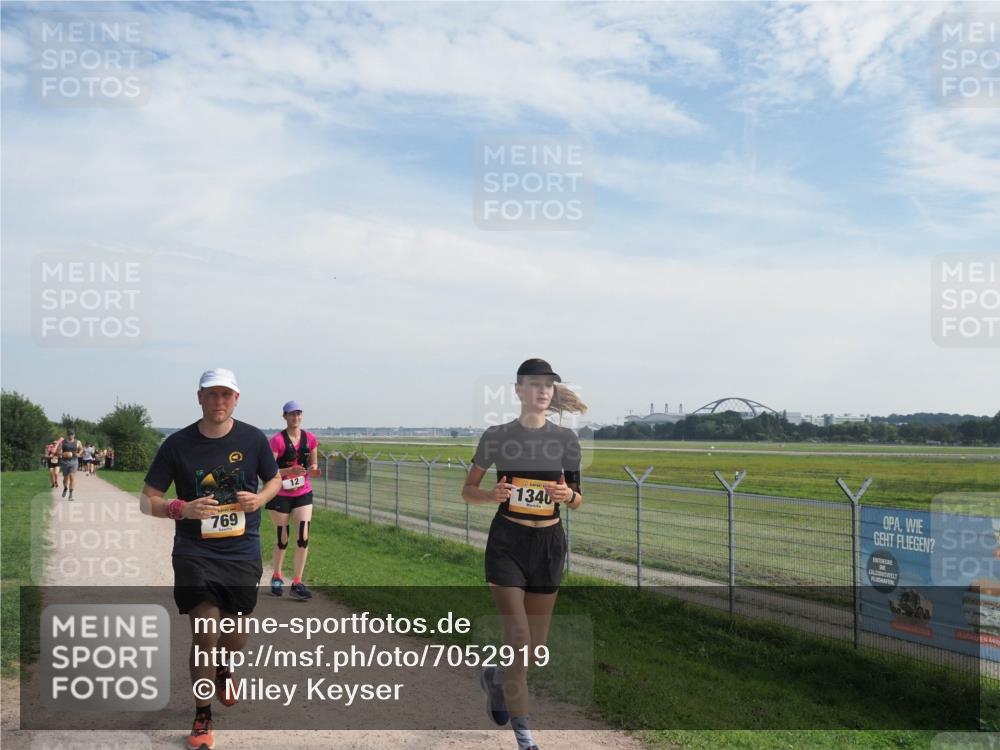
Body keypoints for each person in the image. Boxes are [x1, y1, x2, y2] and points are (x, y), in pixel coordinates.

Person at [139, 368, 281, 750]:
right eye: (211, 394)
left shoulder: (253, 439)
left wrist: (262, 499)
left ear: (236, 399)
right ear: (199, 397)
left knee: (233, 637)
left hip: (241, 552)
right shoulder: (177, 445)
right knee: (204, 632)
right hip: (194, 551)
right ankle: (202, 715)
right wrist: (179, 508)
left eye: (226, 395)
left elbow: (275, 480)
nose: (219, 401)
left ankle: (225, 667)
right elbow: (146, 498)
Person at [461, 358, 586, 750]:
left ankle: (497, 680)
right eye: (534, 384)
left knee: (535, 646)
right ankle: (525, 736)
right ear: (518, 390)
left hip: (548, 546)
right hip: (507, 544)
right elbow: (468, 490)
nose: (543, 390)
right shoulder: (497, 436)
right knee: (519, 639)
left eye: (548, 385)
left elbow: (578, 499)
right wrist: (488, 495)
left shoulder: (567, 441)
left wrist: (568, 496)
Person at [266, 400, 320, 600]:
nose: (295, 417)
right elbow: (269, 471)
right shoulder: (277, 441)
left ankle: (297, 581)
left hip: (303, 492)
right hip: (281, 494)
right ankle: (277, 576)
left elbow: (313, 463)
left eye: (298, 414)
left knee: (303, 536)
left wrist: (313, 470)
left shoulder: (310, 439)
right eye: (291, 414)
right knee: (283, 538)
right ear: (285, 417)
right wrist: (289, 471)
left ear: (302, 416)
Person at [58, 430, 83, 500]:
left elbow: (81, 449)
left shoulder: (78, 442)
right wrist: (62, 454)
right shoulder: (63, 442)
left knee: (72, 477)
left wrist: (79, 454)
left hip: (74, 461)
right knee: (65, 479)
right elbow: (59, 450)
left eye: (72, 434)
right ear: (67, 435)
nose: (71, 435)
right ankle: (65, 488)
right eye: (69, 434)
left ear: (74, 435)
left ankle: (71, 494)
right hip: (65, 461)